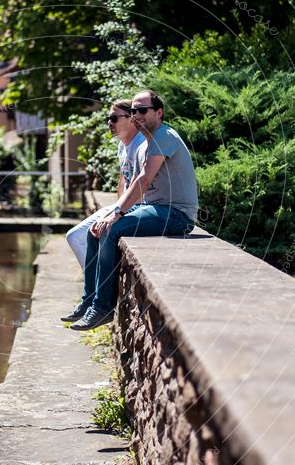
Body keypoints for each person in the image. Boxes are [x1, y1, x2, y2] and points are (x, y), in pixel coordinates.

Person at [63, 89, 198, 330]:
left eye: (142, 110)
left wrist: (117, 214)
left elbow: (144, 180)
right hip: (154, 209)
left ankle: (103, 308)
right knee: (96, 230)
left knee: (111, 229)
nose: (137, 114)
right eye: (134, 110)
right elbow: (134, 181)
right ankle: (90, 301)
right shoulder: (145, 143)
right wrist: (112, 211)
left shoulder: (163, 136)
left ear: (159, 112)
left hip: (176, 214)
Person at [64, 99, 144, 271]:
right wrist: (116, 207)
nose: (109, 122)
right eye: (108, 118)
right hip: (123, 207)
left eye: (114, 118)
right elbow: (123, 180)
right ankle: (94, 287)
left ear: (131, 118)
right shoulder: (123, 146)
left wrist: (118, 213)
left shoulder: (142, 145)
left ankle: (97, 290)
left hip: (139, 209)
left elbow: (141, 183)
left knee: (82, 236)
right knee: (73, 236)